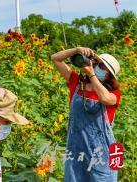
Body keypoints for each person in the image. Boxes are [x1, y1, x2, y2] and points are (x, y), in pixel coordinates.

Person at [51, 47, 121, 181]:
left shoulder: (114, 94)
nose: (96, 66)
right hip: (77, 150)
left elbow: (105, 99)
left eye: (102, 66)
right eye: (96, 62)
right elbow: (55, 58)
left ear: (109, 75)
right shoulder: (77, 83)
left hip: (103, 154)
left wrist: (92, 75)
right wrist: (76, 50)